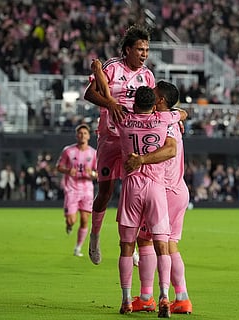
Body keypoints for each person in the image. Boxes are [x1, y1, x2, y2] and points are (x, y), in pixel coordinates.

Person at [84, 24, 155, 265]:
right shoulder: (112, 67)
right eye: (139, 49)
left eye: (146, 49)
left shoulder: (148, 75)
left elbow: (153, 106)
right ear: (127, 50)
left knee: (131, 192)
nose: (144, 54)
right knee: (104, 192)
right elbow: (89, 93)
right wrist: (110, 104)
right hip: (109, 137)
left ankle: (129, 244)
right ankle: (94, 235)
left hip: (132, 141)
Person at [115, 85, 187, 316]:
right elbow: (181, 114)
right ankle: (176, 296)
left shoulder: (125, 121)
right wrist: (181, 114)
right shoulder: (167, 121)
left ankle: (141, 297)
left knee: (136, 244)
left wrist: (140, 160)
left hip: (152, 186)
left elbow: (170, 150)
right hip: (169, 187)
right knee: (165, 244)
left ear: (162, 100)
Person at [56, 124, 97, 257]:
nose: (82, 135)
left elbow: (99, 173)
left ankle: (78, 247)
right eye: (80, 133)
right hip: (72, 189)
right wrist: (68, 170)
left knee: (85, 219)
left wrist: (93, 174)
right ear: (76, 135)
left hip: (87, 190)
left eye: (85, 133)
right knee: (71, 220)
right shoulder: (68, 151)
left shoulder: (93, 153)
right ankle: (69, 225)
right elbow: (59, 166)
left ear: (89, 136)